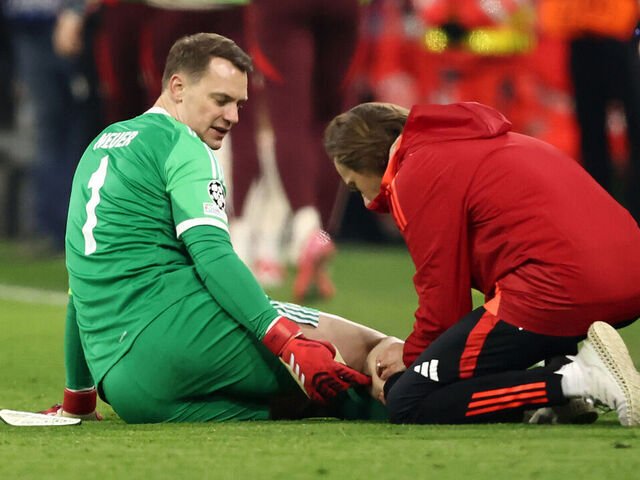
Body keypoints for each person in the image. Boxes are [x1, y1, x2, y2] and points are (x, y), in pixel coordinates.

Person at [45, 33, 389, 423]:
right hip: (181, 343)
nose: (233, 117)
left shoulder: (100, 146)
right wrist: (285, 339)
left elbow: (78, 288)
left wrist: (78, 398)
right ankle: (430, 396)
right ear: (178, 88)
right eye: (221, 100)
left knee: (307, 403)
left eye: (239, 104)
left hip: (128, 390)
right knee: (369, 350)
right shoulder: (182, 145)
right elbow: (212, 255)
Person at [324, 101, 640, 425]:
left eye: (355, 185)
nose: (365, 200)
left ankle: (579, 380)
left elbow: (443, 300)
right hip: (627, 280)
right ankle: (562, 378)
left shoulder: (416, 172)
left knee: (407, 398)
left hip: (562, 290)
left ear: (370, 161)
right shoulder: (490, 142)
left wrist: (413, 357)